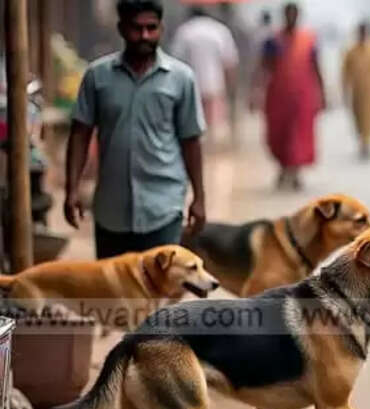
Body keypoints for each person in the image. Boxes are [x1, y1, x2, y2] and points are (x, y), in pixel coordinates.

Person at [64, 0, 206, 259]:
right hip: (112, 212)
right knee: (113, 284)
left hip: (163, 208)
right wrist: (72, 189)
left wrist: (199, 198)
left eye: (151, 28)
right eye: (136, 28)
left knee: (160, 283)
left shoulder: (181, 78)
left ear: (161, 28)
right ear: (121, 28)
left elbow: (191, 141)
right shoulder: (97, 76)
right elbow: (80, 134)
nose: (144, 36)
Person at [259, 2, 325, 191]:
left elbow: (316, 67)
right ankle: (283, 168)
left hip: (302, 95)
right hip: (278, 95)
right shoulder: (273, 41)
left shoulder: (308, 40)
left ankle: (295, 172)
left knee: (299, 134)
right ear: (284, 16)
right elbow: (263, 67)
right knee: (279, 134)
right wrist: (256, 91)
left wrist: (322, 93)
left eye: (294, 14)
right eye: (288, 14)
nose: (291, 18)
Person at [169, 7, 239, 139]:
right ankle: (211, 146)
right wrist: (231, 84)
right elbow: (230, 61)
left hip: (190, 85)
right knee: (213, 123)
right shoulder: (219, 30)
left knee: (193, 124)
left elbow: (175, 60)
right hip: (214, 84)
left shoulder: (184, 31)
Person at [341, 21, 370, 160]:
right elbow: (345, 72)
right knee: (357, 118)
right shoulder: (351, 51)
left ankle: (366, 144)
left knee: (369, 118)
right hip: (356, 90)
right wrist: (345, 90)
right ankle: (362, 141)